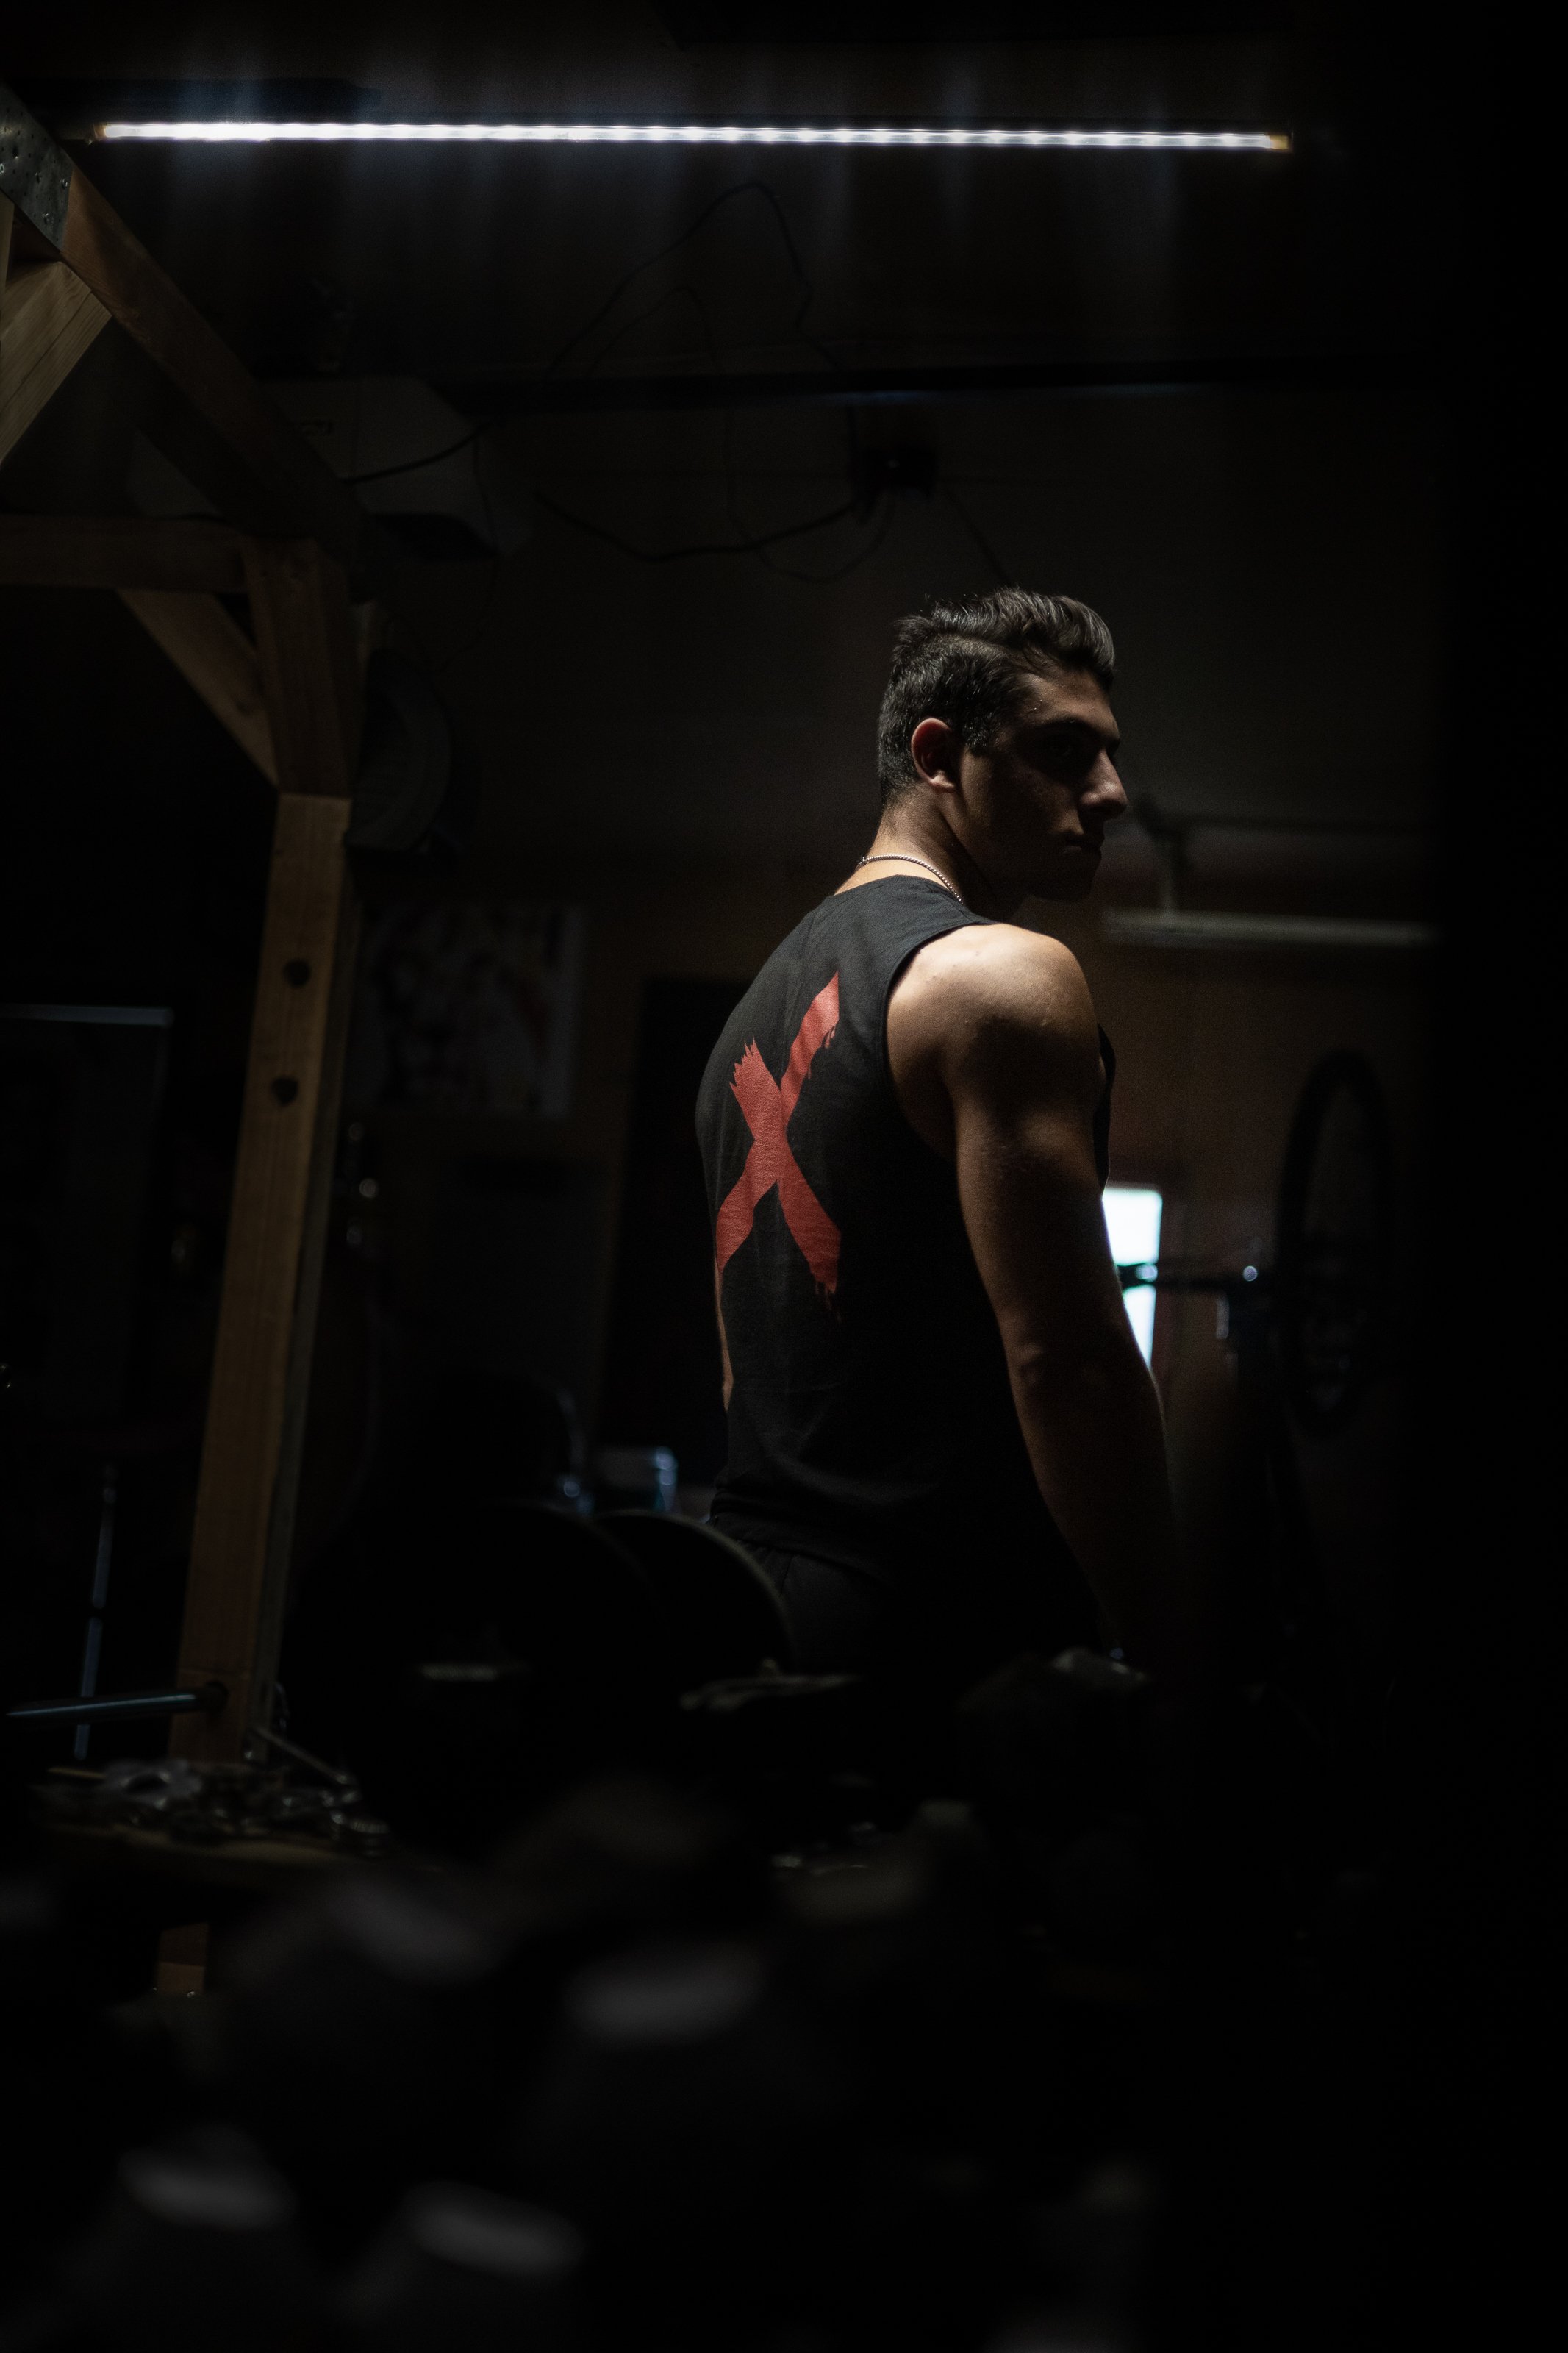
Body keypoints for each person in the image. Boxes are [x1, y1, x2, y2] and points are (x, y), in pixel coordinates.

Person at [695, 589, 1190, 1693]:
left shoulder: (748, 1026)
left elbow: (747, 1379)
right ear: (938, 757)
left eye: (1109, 754)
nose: (1111, 792)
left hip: (748, 1612)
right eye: (1063, 750)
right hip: (936, 1635)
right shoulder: (998, 978)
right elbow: (1068, 1365)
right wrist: (1174, 1662)